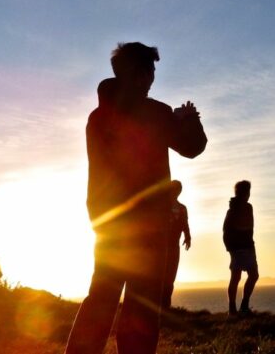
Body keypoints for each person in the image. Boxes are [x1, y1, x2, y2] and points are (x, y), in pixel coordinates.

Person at [66, 42, 207, 354]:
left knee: (100, 301)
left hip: (109, 225)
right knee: (141, 309)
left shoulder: (97, 117)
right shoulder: (155, 114)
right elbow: (194, 147)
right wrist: (190, 118)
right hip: (148, 230)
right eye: (151, 71)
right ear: (141, 74)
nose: (154, 77)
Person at [223, 180, 259, 315]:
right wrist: (230, 247)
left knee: (254, 275)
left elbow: (250, 226)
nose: (249, 194)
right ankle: (232, 308)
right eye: (247, 191)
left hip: (249, 245)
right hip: (237, 247)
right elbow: (226, 230)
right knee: (236, 276)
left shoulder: (249, 207)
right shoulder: (232, 210)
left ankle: (244, 305)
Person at [161, 180, 191, 309]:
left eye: (179, 188)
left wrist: (188, 236)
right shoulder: (162, 206)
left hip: (174, 245)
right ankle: (158, 306)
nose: (177, 191)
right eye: (175, 188)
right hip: (161, 246)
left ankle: (166, 305)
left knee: (170, 276)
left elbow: (185, 223)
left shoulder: (182, 208)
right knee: (161, 276)